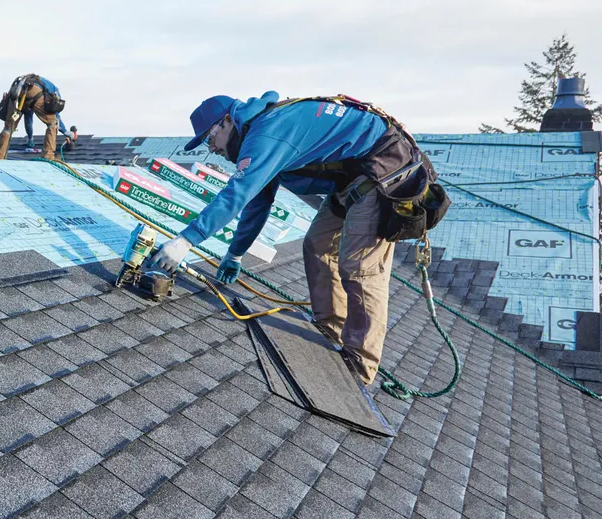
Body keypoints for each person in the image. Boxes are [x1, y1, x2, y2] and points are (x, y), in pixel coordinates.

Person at [148, 91, 432, 385]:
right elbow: (257, 201)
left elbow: (237, 194)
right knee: (317, 245)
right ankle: (329, 326)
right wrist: (235, 254)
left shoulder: (268, 134)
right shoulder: (260, 135)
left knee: (359, 268)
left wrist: (186, 240)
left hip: (388, 172)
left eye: (210, 139)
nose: (213, 149)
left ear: (228, 122)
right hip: (353, 178)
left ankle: (359, 366)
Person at [0, 75, 70, 160]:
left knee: (8, 128)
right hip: (32, 90)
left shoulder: (43, 86)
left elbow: (28, 117)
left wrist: (30, 138)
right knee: (53, 123)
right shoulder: (54, 93)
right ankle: (48, 155)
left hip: (16, 90)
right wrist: (66, 132)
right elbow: (55, 116)